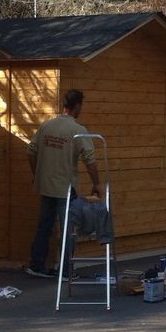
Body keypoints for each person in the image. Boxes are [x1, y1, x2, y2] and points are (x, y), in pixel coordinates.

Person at [25, 89, 101, 279]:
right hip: (65, 188)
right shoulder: (77, 130)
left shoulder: (47, 126)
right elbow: (90, 160)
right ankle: (66, 270)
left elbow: (31, 151)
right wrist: (97, 184)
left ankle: (36, 265)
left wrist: (37, 174)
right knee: (68, 229)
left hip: (45, 185)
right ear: (77, 106)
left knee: (44, 226)